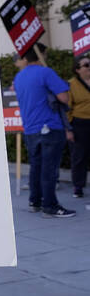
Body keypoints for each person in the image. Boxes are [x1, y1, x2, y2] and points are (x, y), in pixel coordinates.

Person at [13, 43, 75, 217]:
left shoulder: (19, 77)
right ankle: (50, 205)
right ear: (41, 55)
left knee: (36, 166)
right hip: (50, 126)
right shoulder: (46, 72)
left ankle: (36, 201)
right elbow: (64, 98)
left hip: (31, 128)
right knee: (49, 168)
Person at [67, 51, 90, 199]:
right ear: (77, 69)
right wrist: (68, 129)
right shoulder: (71, 84)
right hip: (80, 123)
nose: (89, 67)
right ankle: (78, 186)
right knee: (79, 156)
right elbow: (67, 108)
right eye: (86, 65)